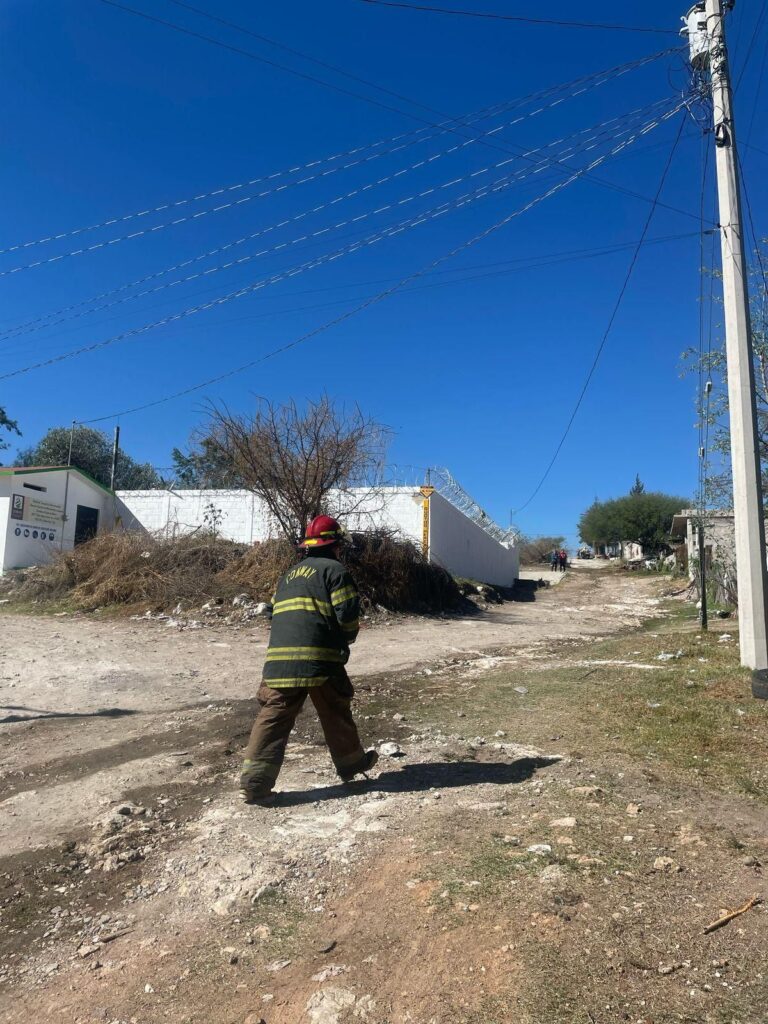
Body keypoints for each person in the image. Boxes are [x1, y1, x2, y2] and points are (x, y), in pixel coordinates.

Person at [240, 515, 378, 805]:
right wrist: (347, 638)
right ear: (335, 546)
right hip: (321, 659)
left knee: (274, 716)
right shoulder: (335, 571)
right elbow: (347, 615)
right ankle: (351, 764)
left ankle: (254, 783)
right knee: (335, 708)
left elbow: (272, 612)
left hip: (279, 660)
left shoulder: (288, 575)